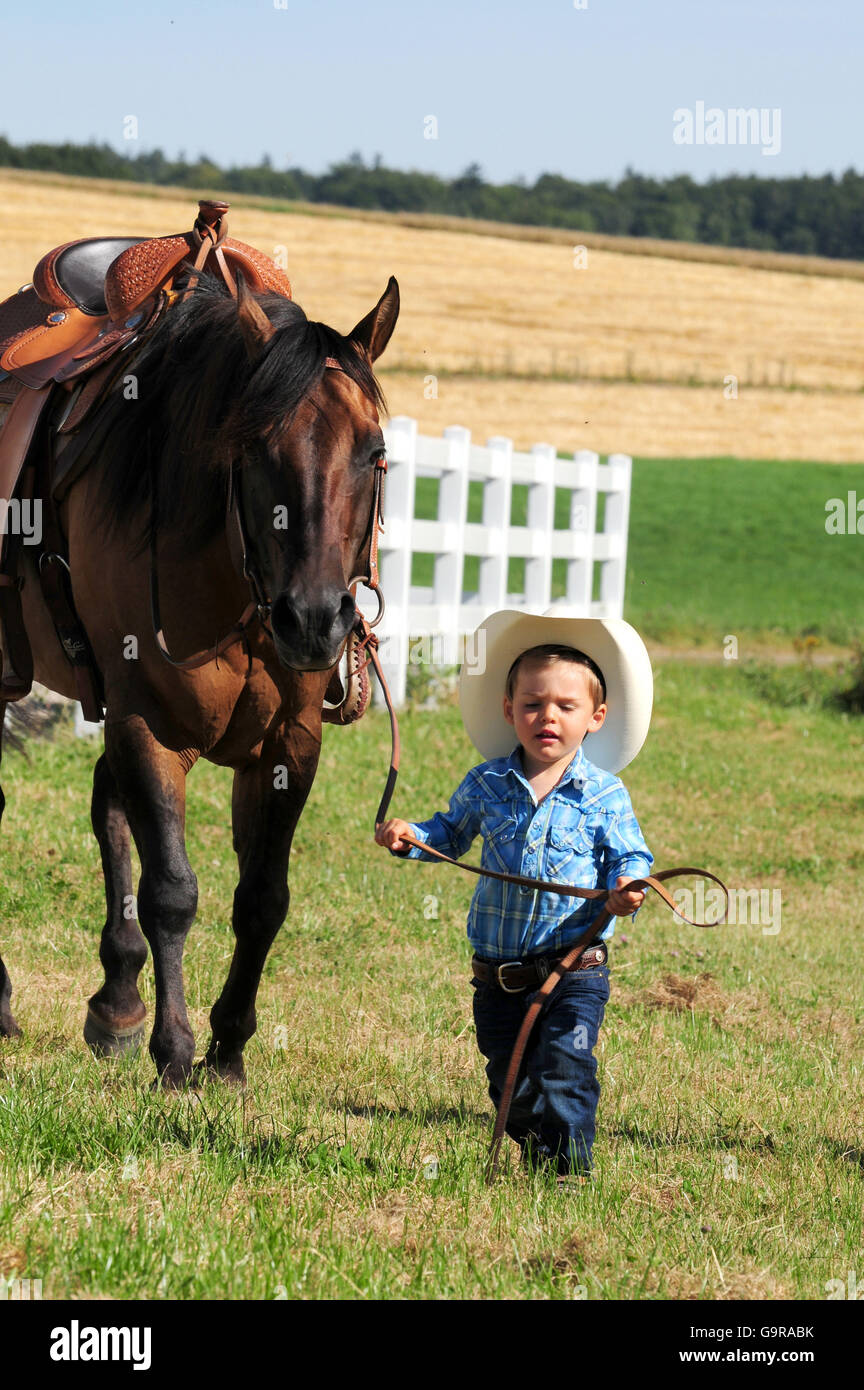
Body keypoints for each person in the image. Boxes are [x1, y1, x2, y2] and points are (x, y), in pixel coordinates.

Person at [374, 606, 655, 1188]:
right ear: (509, 711)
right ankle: (537, 1153)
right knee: (509, 1080)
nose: (546, 716)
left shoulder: (604, 794)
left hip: (574, 969)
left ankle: (568, 1175)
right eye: (532, 704)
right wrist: (410, 839)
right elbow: (447, 836)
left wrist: (629, 888)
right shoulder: (487, 783)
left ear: (595, 717)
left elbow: (632, 858)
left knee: (565, 1067)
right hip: (498, 973)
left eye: (565, 706)